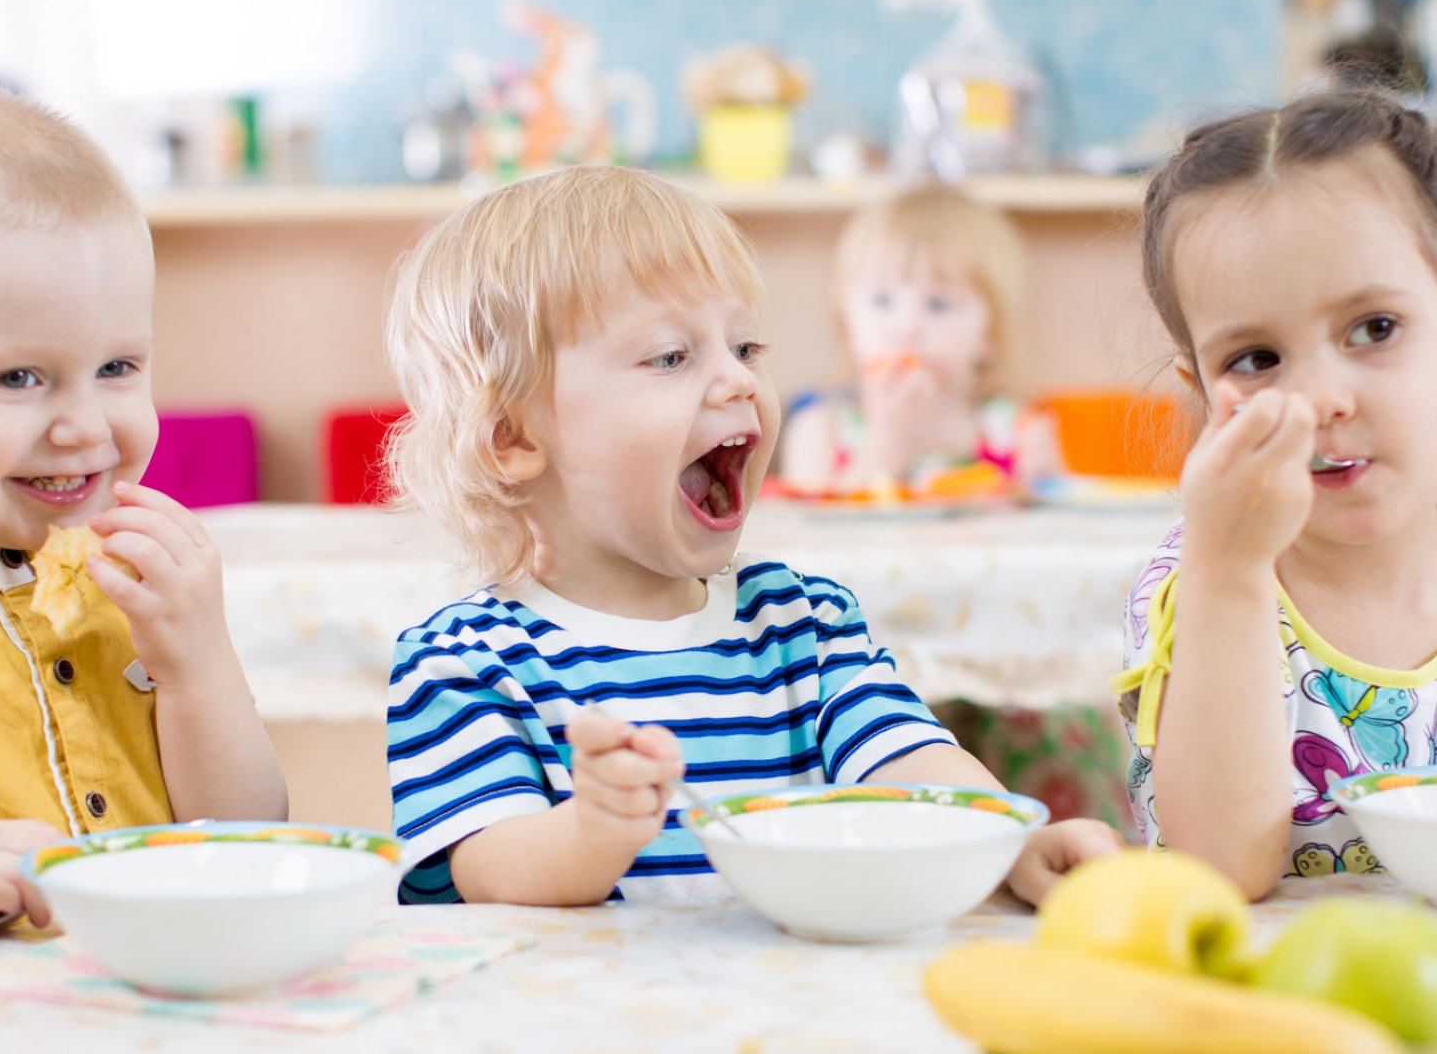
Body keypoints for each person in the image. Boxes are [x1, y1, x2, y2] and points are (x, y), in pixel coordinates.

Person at [385, 165, 1117, 908]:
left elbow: (909, 753)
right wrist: (594, 831)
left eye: (746, 349)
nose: (736, 381)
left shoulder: (804, 623)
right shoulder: (462, 663)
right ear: (511, 438)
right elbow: (491, 873)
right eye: (671, 356)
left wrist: (1008, 837)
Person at [1114, 89, 1437, 899]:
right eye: (1257, 358)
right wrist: (1229, 569)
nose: (1323, 399)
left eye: (1374, 328)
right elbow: (1217, 872)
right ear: (1199, 387)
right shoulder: (1205, 584)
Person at [0, 92, 287, 926]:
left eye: (118, 367)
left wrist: (196, 662)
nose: (84, 425)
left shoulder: (129, 580)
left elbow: (250, 839)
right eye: (18, 377)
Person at [780, 183, 1061, 493]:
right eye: (882, 301)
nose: (906, 327)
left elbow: (1062, 528)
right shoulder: (820, 430)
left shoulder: (1018, 433)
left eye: (938, 304)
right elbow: (816, 534)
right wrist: (888, 440)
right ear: (846, 324)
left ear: (989, 336)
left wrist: (1045, 479)